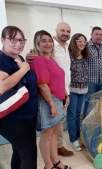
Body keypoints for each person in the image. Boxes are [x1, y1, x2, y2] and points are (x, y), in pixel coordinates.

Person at [26, 22, 73, 156]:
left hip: (61, 94)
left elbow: (62, 74)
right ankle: (50, 161)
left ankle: (55, 159)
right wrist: (52, 104)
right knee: (48, 134)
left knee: (54, 131)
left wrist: (66, 94)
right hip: (49, 99)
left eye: (68, 31)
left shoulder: (58, 53)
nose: (47, 44)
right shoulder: (39, 57)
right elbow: (42, 83)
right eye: (62, 30)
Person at [0, 26, 38, 169]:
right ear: (2, 40)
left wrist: (24, 64)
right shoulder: (2, 58)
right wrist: (24, 69)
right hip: (13, 118)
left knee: (19, 151)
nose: (18, 44)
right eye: (13, 39)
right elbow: (2, 86)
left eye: (21, 40)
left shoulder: (18, 57)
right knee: (29, 153)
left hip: (27, 115)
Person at [67, 33, 89, 151]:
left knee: (78, 115)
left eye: (84, 42)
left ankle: (78, 136)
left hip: (83, 88)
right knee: (71, 115)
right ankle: (73, 139)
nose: (82, 44)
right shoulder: (69, 55)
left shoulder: (85, 55)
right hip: (72, 89)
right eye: (80, 41)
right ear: (74, 42)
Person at [86, 27, 102, 98]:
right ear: (91, 35)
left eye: (101, 35)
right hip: (90, 82)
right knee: (89, 105)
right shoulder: (85, 46)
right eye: (96, 34)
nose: (99, 36)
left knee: (100, 104)